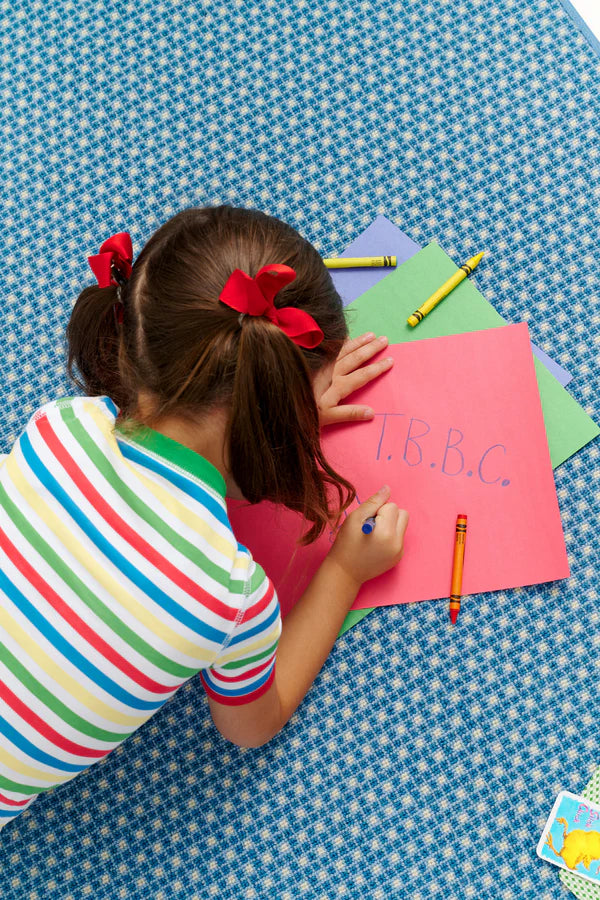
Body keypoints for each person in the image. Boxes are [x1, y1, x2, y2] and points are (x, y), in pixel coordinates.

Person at [0, 206, 408, 830]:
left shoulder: (55, 427)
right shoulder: (231, 593)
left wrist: (272, 412)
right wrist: (345, 572)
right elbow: (251, 726)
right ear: (274, 403)